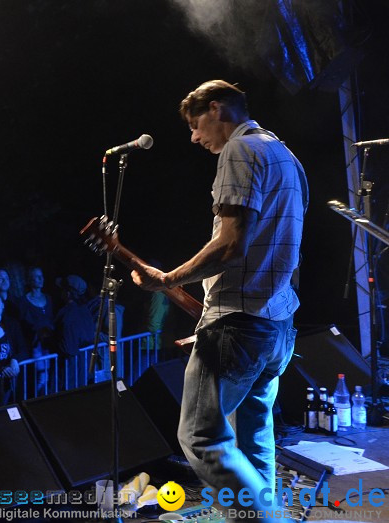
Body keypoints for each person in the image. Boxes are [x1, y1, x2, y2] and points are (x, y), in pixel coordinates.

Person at [129, 80, 306, 517]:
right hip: (276, 323)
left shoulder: (239, 151)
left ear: (216, 108)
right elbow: (289, 247)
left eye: (195, 125)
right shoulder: (287, 155)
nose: (193, 137)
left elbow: (231, 246)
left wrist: (167, 278)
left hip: (240, 323)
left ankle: (267, 518)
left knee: (201, 437)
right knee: (254, 433)